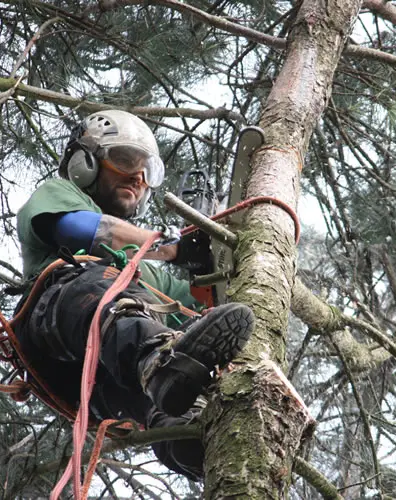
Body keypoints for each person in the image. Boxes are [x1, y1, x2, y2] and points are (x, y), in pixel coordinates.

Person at [14, 109, 254, 480]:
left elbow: (199, 308)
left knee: (163, 374)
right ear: (86, 163)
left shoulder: (147, 273)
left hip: (99, 386)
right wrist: (175, 247)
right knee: (105, 284)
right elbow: (80, 228)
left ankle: (192, 439)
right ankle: (160, 361)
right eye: (125, 161)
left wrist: (209, 271)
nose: (137, 177)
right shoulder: (61, 195)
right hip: (58, 327)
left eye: (147, 171)